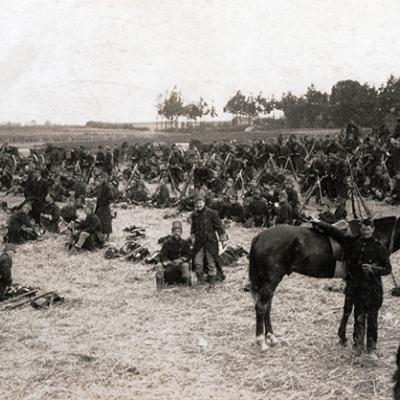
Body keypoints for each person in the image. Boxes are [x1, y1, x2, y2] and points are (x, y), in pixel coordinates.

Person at [312, 218, 391, 356]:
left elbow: (388, 269)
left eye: (368, 229)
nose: (366, 232)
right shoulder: (353, 243)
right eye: (363, 229)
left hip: (374, 289)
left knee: (372, 320)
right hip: (358, 288)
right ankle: (358, 347)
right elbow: (335, 233)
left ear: (373, 229)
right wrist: (318, 222)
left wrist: (373, 269)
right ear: (360, 230)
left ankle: (372, 348)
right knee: (359, 318)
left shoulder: (380, 248)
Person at [191, 192, 228, 286]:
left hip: (211, 242)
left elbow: (219, 227)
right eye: (197, 203)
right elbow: (193, 228)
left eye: (200, 202)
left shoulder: (212, 213)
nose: (199, 205)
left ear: (204, 202)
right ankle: (201, 281)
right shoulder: (194, 215)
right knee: (197, 263)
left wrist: (223, 239)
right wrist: (192, 237)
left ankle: (212, 282)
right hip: (199, 243)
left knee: (211, 263)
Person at [156, 221, 192, 289]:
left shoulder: (185, 243)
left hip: (180, 264)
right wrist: (166, 261)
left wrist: (181, 260)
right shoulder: (167, 243)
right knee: (159, 266)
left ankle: (187, 286)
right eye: (175, 231)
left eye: (178, 231)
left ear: (181, 232)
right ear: (172, 232)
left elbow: (189, 255)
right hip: (169, 264)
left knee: (185, 265)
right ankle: (159, 287)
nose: (176, 233)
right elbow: (162, 255)